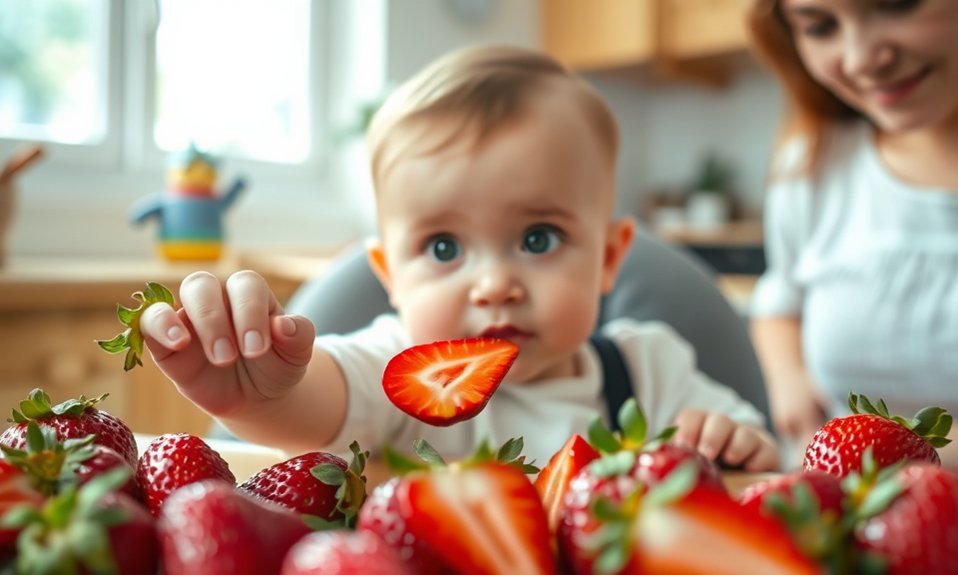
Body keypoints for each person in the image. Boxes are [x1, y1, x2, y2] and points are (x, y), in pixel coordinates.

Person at [137, 45, 779, 471]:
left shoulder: (651, 371)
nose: (496, 284)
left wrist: (732, 452)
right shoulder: (398, 372)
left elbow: (760, 469)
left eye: (538, 239)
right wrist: (259, 397)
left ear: (609, 259)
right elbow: (318, 403)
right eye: (444, 247)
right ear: (392, 278)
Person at [745, 0, 958, 484]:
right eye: (820, 26)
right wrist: (787, 375)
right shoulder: (813, 166)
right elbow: (781, 298)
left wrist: (879, 452)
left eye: (897, 3)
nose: (858, 59)